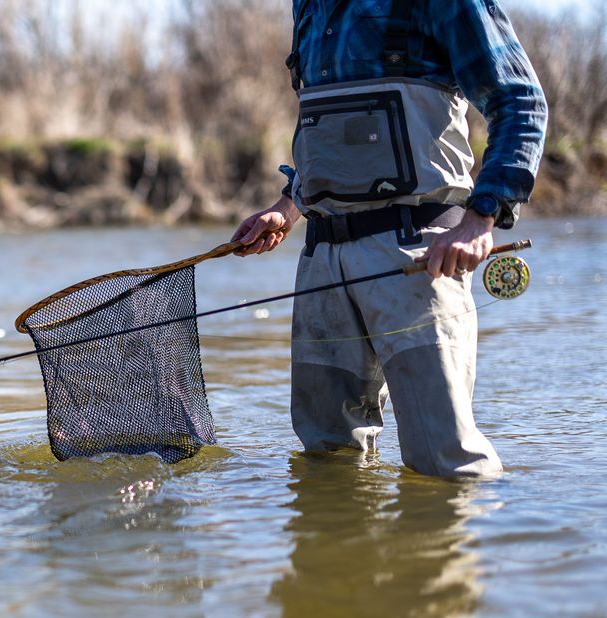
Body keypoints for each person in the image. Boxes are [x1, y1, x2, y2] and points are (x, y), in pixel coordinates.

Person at [232, 0, 547, 477]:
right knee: (326, 459)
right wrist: (290, 204)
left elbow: (521, 101)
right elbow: (334, 126)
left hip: (419, 255)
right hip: (322, 258)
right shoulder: (308, 6)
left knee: (446, 460)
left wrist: (481, 218)